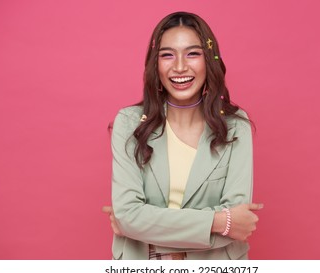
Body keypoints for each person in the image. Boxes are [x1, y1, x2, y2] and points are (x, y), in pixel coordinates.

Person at [102, 11, 263, 260]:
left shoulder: (235, 125)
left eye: (193, 53)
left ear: (209, 59)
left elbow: (237, 227)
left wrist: (137, 225)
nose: (179, 67)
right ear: (155, 63)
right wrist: (219, 221)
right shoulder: (130, 123)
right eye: (167, 55)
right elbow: (128, 216)